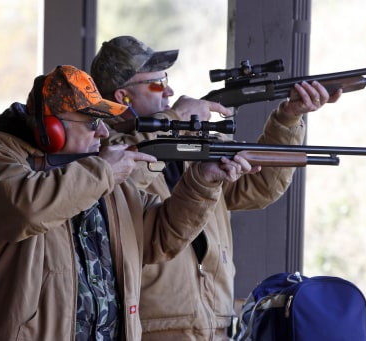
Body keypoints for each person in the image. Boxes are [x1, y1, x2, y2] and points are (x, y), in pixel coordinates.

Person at [0, 65, 252, 341]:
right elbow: (23, 209)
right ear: (52, 128)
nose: (103, 133)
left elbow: (158, 236)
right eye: (93, 123)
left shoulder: (98, 171)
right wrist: (103, 172)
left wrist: (202, 183)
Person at [91, 36, 342, 340]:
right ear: (123, 96)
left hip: (215, 325)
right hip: (153, 329)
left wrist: (288, 118)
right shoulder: (102, 153)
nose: (169, 90)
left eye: (166, 79)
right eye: (157, 83)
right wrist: (174, 119)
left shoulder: (190, 140)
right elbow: (110, 192)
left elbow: (259, 187)